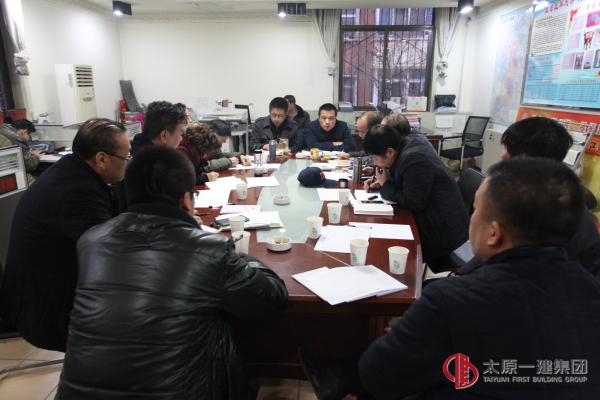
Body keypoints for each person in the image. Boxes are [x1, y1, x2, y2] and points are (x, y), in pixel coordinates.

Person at [56, 146, 288, 400]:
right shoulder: (209, 249)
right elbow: (273, 296)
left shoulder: (91, 241)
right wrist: (234, 252)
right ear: (187, 200)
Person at [359, 158, 600, 399]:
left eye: (474, 210)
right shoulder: (592, 287)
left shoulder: (449, 301)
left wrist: (409, 332)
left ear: (494, 233)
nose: (471, 218)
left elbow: (377, 375)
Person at [0, 118, 129, 351]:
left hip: (46, 290)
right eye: (125, 157)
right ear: (101, 159)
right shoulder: (77, 192)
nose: (128, 163)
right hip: (46, 308)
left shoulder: (74, 171)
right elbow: (110, 254)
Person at [458, 116, 600, 277]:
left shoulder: (537, 208)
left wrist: (460, 276)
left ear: (524, 160)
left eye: (507, 149)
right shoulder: (551, 193)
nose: (502, 155)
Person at [363, 124, 468, 269]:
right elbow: (407, 183)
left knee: (382, 248)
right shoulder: (406, 146)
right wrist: (383, 183)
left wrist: (386, 184)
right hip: (435, 218)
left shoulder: (414, 159)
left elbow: (413, 202)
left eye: (375, 158)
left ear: (390, 152)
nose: (375, 163)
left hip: (442, 231)